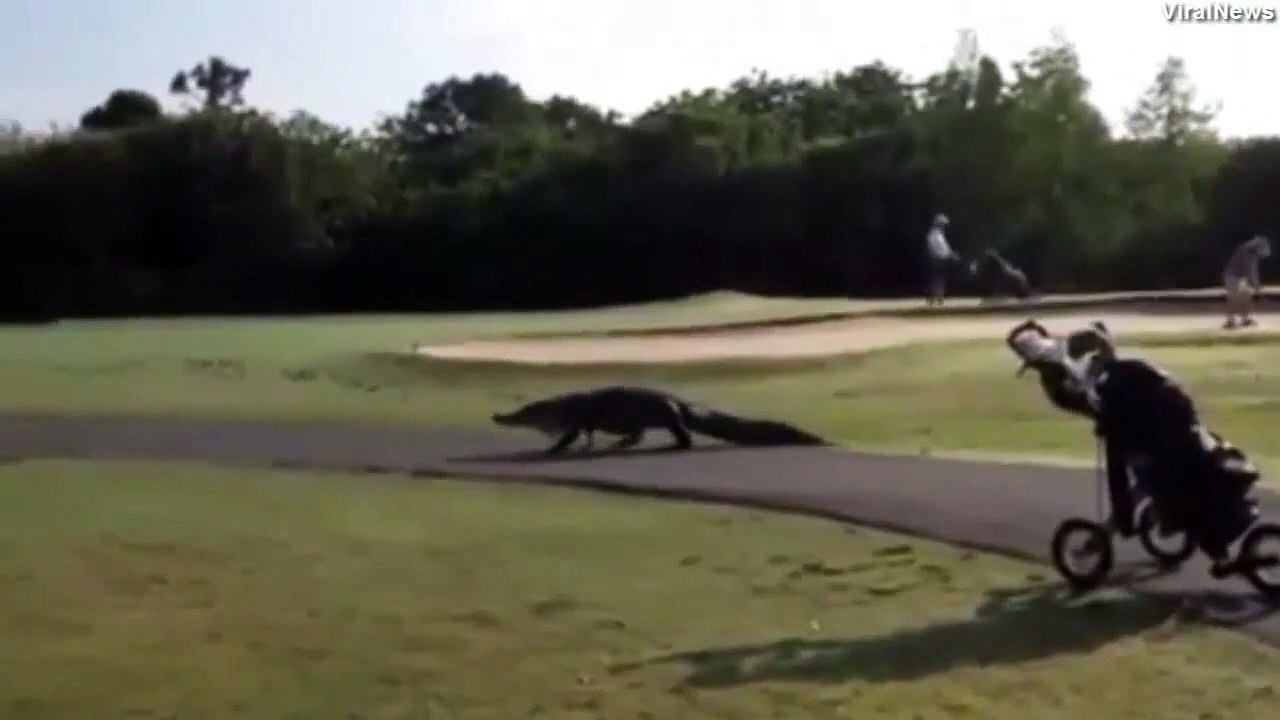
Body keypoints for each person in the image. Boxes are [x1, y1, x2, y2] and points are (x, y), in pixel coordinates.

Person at [1007, 319, 1260, 577]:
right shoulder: (1093, 375)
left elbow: (1102, 397)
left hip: (1144, 431)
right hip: (1164, 419)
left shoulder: (1065, 384)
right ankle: (1132, 525)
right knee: (1159, 480)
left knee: (1159, 487)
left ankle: (1215, 554)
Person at [1222, 234, 1271, 329]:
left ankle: (1245, 319)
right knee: (1233, 299)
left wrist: (1255, 285)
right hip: (1232, 276)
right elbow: (1252, 271)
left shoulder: (1248, 250)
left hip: (1241, 277)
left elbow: (1252, 271)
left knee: (1245, 298)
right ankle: (1230, 321)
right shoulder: (1248, 253)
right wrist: (1257, 286)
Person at [924, 213, 962, 307]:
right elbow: (940, 249)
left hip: (941, 259)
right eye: (943, 224)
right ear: (938, 224)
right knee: (938, 279)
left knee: (939, 279)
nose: (944, 227)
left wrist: (952, 254)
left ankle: (936, 298)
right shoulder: (935, 235)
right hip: (938, 259)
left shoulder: (939, 235)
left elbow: (945, 248)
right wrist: (951, 255)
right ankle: (936, 298)